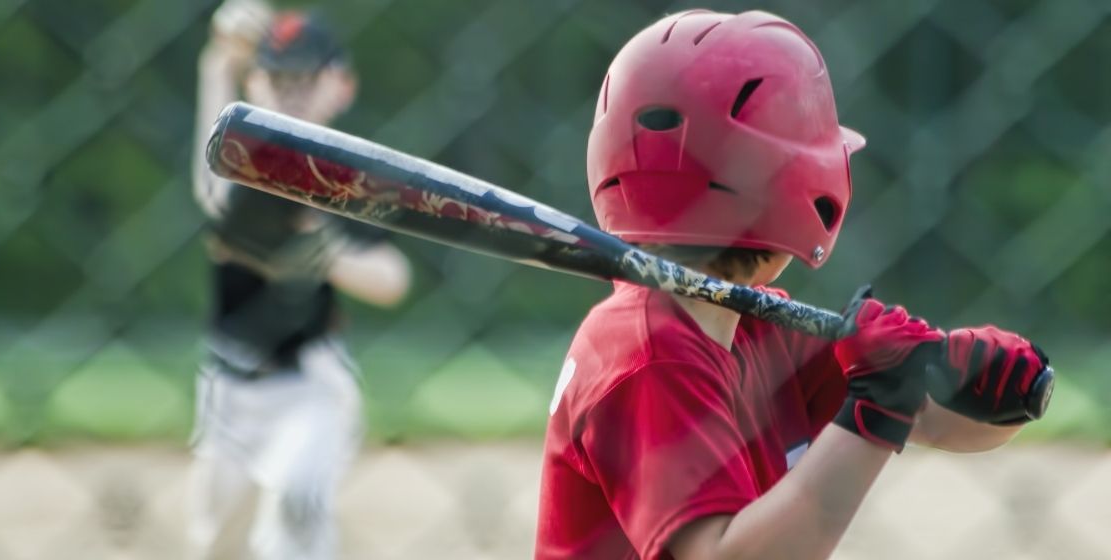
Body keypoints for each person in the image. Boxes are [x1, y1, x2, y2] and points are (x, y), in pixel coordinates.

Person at [535, 10, 1051, 560]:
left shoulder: (761, 327)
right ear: (795, 182)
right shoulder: (649, 355)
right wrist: (875, 407)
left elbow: (927, 418)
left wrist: (986, 387)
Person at [188, 2, 412, 558]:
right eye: (277, 75)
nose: (291, 88)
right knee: (216, 543)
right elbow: (212, 195)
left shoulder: (349, 175)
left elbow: (393, 278)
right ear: (253, 82)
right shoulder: (242, 165)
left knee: (296, 511)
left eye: (306, 76)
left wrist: (324, 256)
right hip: (226, 382)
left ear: (343, 86)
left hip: (311, 382)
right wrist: (218, 63)